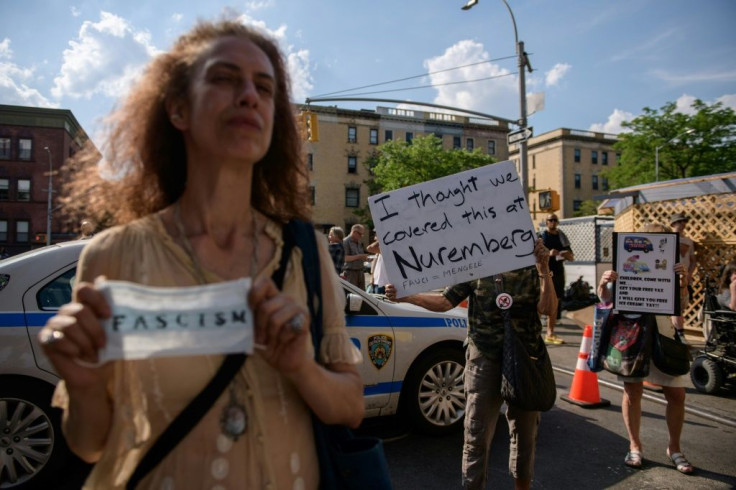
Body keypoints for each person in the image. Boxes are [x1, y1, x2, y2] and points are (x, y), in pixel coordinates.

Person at [37, 19, 364, 490]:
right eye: (224, 79)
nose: (249, 95)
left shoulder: (304, 250)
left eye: (265, 87)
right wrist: (85, 384)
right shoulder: (114, 256)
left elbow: (350, 408)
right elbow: (89, 445)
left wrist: (301, 367)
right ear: (177, 109)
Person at [385, 239, 556, 490]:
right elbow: (445, 302)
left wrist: (543, 268)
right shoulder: (474, 262)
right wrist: (407, 297)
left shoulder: (531, 262)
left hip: (525, 359)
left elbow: (549, 308)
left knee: (525, 433)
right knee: (476, 433)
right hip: (484, 356)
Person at [597, 223, 694, 475]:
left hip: (663, 336)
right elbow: (606, 300)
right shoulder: (625, 263)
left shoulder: (672, 269)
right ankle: (635, 445)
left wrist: (682, 283)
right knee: (632, 391)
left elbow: (679, 306)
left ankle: (674, 448)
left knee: (676, 394)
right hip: (633, 335)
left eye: (662, 243)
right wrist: (605, 282)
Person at [540, 213, 573, 344]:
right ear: (546, 222)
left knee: (555, 301)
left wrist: (566, 255)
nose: (552, 222)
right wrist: (549, 253)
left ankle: (550, 332)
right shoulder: (542, 236)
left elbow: (572, 257)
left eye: (555, 220)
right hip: (544, 272)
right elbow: (536, 254)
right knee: (541, 299)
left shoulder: (561, 236)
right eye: (550, 220)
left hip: (558, 272)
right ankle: (538, 331)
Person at [669, 213, 697, 340]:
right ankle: (680, 334)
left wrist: (689, 274)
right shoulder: (668, 239)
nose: (682, 224)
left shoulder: (688, 241)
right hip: (670, 278)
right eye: (679, 222)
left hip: (683, 278)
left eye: (684, 222)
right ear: (673, 224)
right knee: (675, 307)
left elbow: (692, 260)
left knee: (680, 306)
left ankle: (678, 334)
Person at [342, 224, 368, 289]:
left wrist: (366, 258)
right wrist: (359, 256)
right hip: (350, 273)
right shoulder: (345, 242)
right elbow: (345, 258)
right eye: (360, 234)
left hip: (360, 271)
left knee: (362, 295)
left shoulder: (358, 242)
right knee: (352, 295)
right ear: (354, 232)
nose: (361, 236)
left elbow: (359, 255)